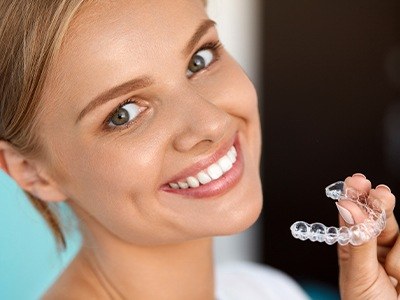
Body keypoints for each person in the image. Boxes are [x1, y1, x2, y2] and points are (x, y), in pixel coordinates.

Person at [0, 1, 398, 299]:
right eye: (123, 114)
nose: (212, 122)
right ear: (30, 171)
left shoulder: (262, 290)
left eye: (199, 59)